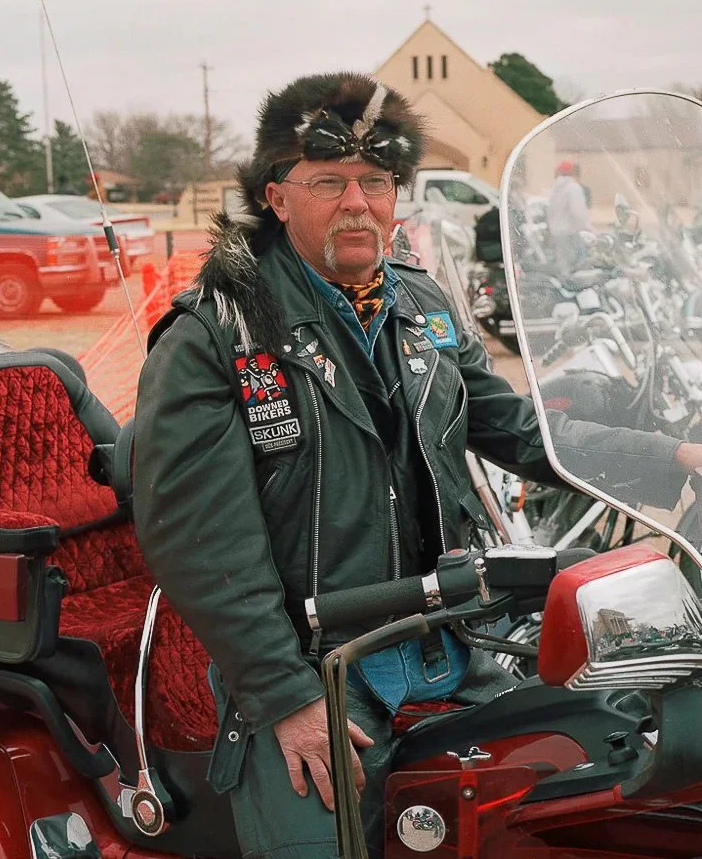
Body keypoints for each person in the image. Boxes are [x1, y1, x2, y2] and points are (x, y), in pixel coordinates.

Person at [132, 73, 702, 858]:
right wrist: (286, 697)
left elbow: (511, 428)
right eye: (327, 182)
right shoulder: (214, 337)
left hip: (445, 638)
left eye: (375, 181)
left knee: (573, 786)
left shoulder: (416, 306)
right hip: (317, 663)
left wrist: (671, 456)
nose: (356, 202)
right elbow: (199, 543)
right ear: (275, 196)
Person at [547, 159, 594, 267]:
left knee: (563, 264)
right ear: (572, 172)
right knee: (580, 264)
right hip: (570, 233)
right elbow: (578, 212)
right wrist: (587, 228)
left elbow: (550, 212)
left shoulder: (554, 190)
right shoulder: (573, 188)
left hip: (557, 233)